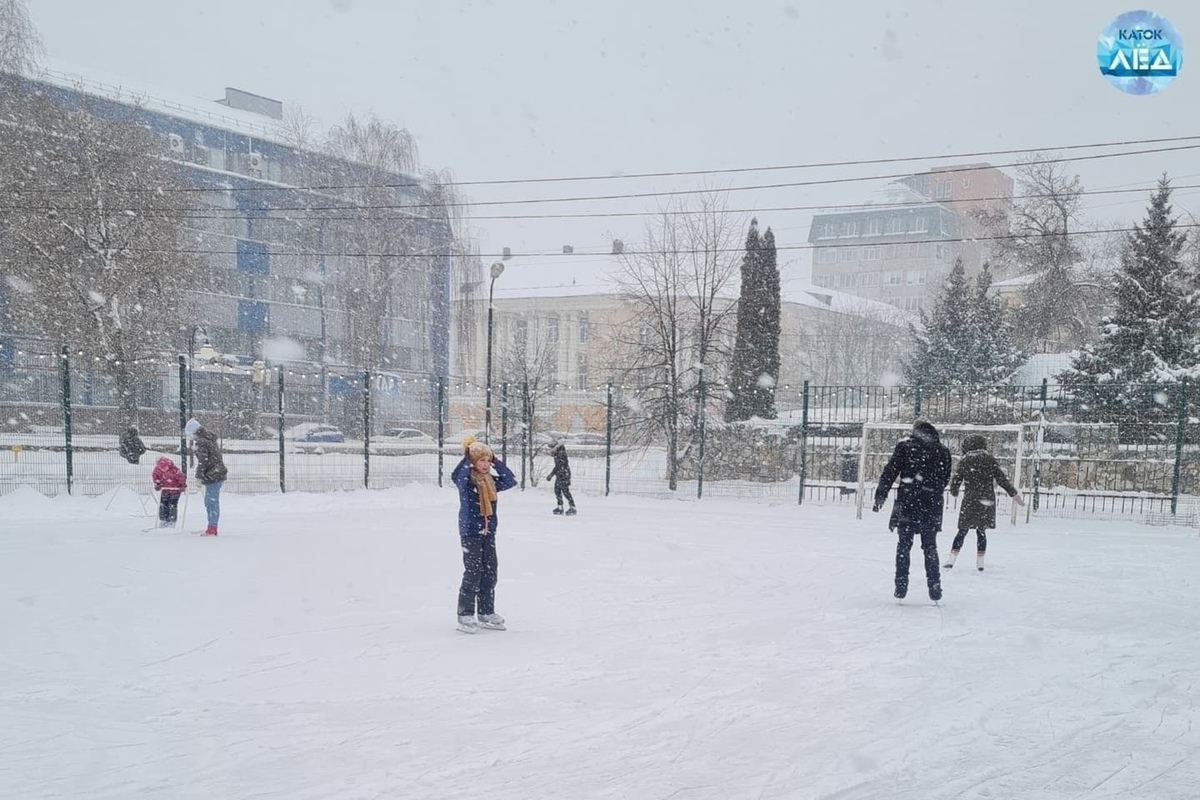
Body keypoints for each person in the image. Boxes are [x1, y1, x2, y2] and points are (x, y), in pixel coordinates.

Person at [872, 419, 953, 602]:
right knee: (930, 546)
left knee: (904, 545)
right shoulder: (943, 451)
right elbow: (945, 477)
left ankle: (901, 586)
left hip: (907, 502)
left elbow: (889, 472)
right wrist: (932, 490)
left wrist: (880, 496)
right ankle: (935, 585)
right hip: (931, 504)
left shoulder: (905, 448)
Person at [452, 435, 517, 633]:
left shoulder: (491, 481)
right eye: (481, 460)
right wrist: (468, 455)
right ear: (472, 461)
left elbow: (510, 480)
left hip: (488, 532)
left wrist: (497, 461)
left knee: (490, 570)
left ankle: (486, 611)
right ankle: (465, 614)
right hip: (471, 532)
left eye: (488, 460)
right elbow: (457, 475)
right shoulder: (466, 481)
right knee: (473, 571)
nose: (485, 464)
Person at [946, 434, 1024, 572]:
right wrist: (1014, 494)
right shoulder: (990, 459)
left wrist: (954, 491)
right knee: (981, 532)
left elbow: (956, 479)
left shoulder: (965, 460)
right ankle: (980, 563)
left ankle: (951, 560)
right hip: (986, 500)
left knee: (962, 531)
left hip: (970, 500)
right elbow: (1001, 479)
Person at [185, 418, 227, 536]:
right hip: (218, 472)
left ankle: (212, 528)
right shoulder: (209, 439)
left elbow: (203, 461)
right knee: (211, 501)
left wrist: (199, 477)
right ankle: (212, 526)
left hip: (213, 474)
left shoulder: (201, 442)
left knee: (211, 502)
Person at [151, 456, 187, 528]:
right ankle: (163, 520)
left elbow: (181, 478)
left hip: (175, 490)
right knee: (163, 504)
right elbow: (155, 477)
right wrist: (157, 483)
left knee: (172, 504)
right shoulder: (157, 470)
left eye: (165, 468)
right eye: (162, 469)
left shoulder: (174, 470)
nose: (164, 470)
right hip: (165, 490)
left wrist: (182, 485)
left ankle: (172, 521)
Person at [547, 441, 577, 515]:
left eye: (551, 448)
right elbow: (557, 466)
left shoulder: (560, 454)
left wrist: (551, 474)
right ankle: (560, 507)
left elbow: (558, 466)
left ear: (555, 447)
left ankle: (572, 507)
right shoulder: (557, 454)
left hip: (564, 475)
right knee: (557, 491)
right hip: (559, 475)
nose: (550, 450)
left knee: (565, 492)